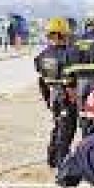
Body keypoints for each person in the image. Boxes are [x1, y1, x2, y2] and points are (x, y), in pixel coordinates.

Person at [34, 17, 78, 169]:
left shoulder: (42, 56)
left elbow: (41, 81)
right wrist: (74, 100)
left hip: (53, 95)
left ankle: (52, 158)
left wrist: (47, 100)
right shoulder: (68, 54)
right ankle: (62, 162)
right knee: (66, 131)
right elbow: (70, 82)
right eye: (66, 35)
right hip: (65, 97)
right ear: (61, 35)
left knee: (57, 126)